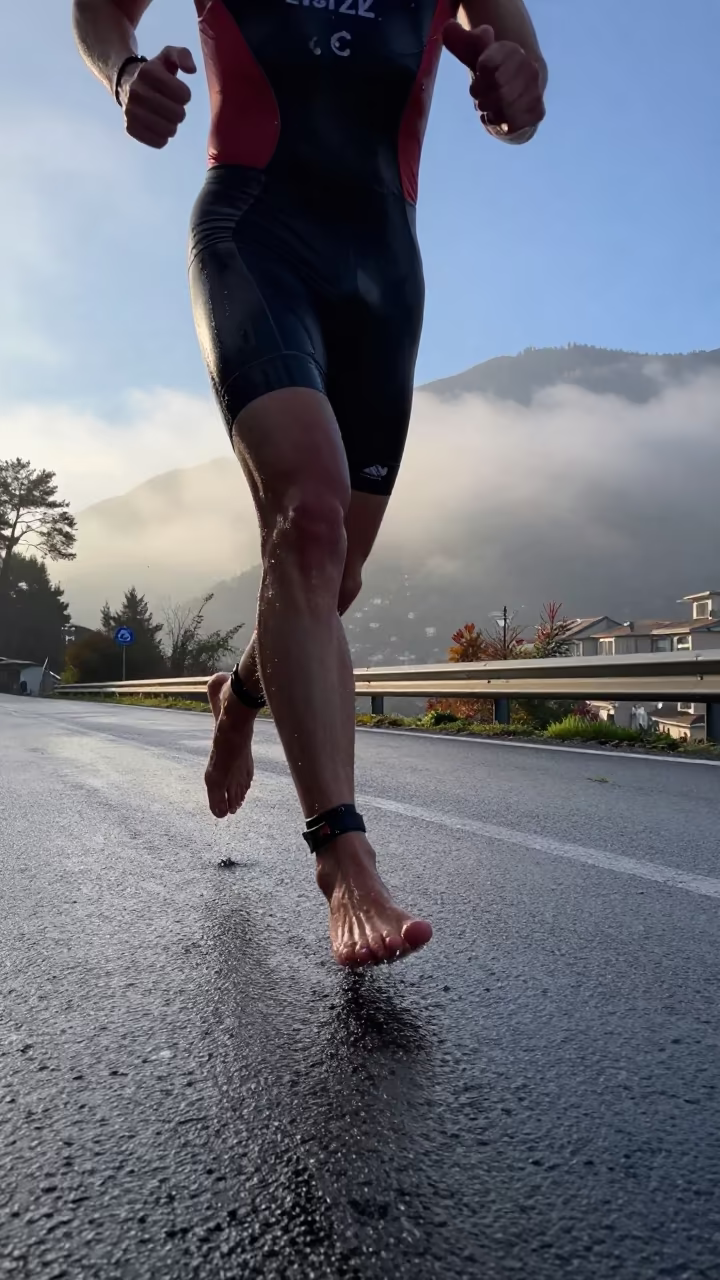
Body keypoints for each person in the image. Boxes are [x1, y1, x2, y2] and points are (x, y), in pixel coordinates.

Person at [72, 0, 547, 967]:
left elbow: (523, 82)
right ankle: (344, 858)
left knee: (331, 578)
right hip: (255, 230)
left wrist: (517, 90)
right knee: (310, 513)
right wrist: (124, 73)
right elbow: (98, 9)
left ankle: (240, 697)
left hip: (383, 264)